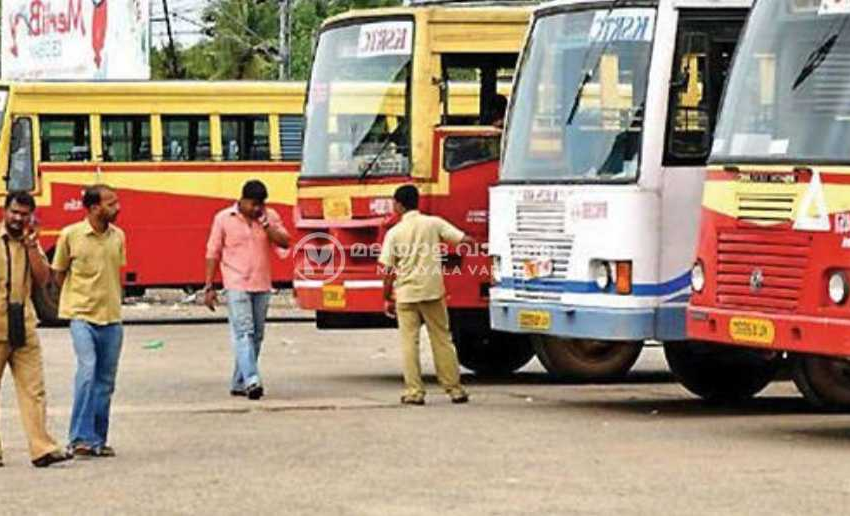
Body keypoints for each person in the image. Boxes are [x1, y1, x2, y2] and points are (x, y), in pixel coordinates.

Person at [379, 185, 471, 405]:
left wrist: (386, 296)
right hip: (432, 292)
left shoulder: (394, 233)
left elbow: (388, 270)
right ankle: (454, 389)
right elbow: (465, 241)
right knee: (442, 339)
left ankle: (414, 392)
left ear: (399, 205)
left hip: (406, 294)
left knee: (409, 343)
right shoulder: (433, 223)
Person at [53, 184, 126, 458]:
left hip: (112, 319)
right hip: (81, 315)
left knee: (105, 381)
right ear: (94, 208)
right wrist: (71, 302)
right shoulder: (70, 235)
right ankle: (79, 438)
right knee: (87, 372)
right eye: (111, 203)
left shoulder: (118, 236)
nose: (116, 208)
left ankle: (97, 439)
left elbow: (116, 273)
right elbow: (58, 274)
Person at [0, 192, 72, 468]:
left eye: (24, 214)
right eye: (14, 212)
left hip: (24, 325)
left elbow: (44, 280)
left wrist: (32, 247)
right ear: (6, 212)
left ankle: (41, 448)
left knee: (33, 389)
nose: (18, 219)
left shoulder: (31, 244)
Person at [204, 180, 290, 400]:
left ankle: (239, 382)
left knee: (257, 336)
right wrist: (209, 286)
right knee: (244, 332)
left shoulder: (269, 217)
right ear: (241, 200)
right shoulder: (223, 218)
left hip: (262, 284)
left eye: (260, 205)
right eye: (252, 204)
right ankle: (252, 380)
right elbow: (213, 252)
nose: (256, 209)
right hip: (236, 283)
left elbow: (285, 242)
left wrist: (266, 224)